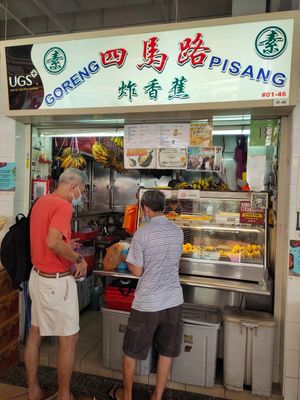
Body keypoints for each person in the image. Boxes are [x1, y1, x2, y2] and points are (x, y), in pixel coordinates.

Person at [24, 168, 94, 400]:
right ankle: (64, 395)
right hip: (56, 282)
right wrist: (78, 258)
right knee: (69, 339)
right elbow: (52, 242)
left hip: (37, 277)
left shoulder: (41, 201)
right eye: (81, 192)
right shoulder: (63, 205)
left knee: (35, 334)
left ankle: (33, 391)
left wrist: (67, 243)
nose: (80, 197)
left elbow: (48, 239)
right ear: (73, 187)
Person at [109, 190, 184, 400]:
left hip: (148, 302)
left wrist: (124, 256)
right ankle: (157, 396)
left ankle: (127, 395)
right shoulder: (178, 231)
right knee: (166, 351)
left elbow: (137, 271)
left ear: (146, 209)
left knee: (131, 351)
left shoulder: (143, 232)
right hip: (173, 300)